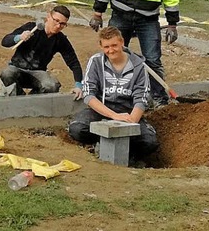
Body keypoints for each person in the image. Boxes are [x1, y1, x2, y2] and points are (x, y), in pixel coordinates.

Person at [68, 26, 159, 160]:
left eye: (114, 45)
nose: (111, 50)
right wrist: (113, 116)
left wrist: (131, 122)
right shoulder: (96, 62)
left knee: (149, 142)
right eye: (106, 47)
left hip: (128, 111)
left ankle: (130, 156)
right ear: (101, 46)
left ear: (122, 42)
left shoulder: (139, 65)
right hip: (100, 110)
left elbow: (142, 98)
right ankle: (98, 144)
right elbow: (89, 94)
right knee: (77, 128)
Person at [0, 5, 84, 99]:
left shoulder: (60, 40)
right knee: (6, 74)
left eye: (62, 24)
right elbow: (5, 42)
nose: (58, 26)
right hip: (17, 68)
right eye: (56, 20)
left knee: (52, 86)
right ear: (48, 17)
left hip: (38, 72)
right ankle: (19, 99)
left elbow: (74, 63)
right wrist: (19, 37)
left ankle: (32, 102)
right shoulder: (31, 28)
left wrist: (78, 85)